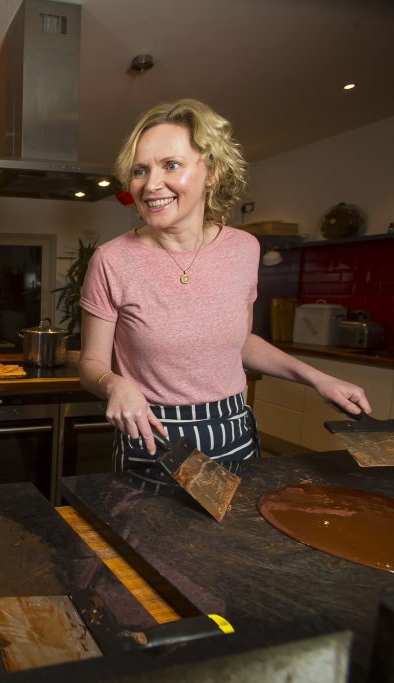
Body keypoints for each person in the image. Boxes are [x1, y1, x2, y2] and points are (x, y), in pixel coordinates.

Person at [78, 98, 370, 490]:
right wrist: (115, 384)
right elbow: (92, 362)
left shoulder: (244, 249)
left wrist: (319, 379)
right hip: (153, 435)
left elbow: (241, 342)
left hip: (233, 430)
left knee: (235, 545)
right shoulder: (112, 260)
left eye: (172, 165)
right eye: (140, 171)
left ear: (211, 171)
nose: (151, 185)